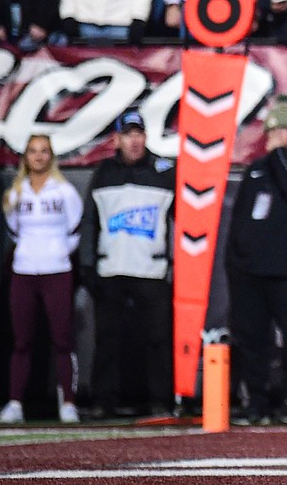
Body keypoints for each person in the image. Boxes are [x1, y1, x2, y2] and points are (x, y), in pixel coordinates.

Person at [226, 94, 287, 425]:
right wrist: (235, 263)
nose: (271, 138)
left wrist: (281, 153)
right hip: (251, 273)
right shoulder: (256, 169)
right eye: (270, 132)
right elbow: (240, 220)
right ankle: (256, 403)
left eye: (278, 130)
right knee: (253, 341)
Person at [78, 110, 176, 418]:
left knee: (158, 338)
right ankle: (102, 401)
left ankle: (161, 400)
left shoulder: (163, 171)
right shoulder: (104, 172)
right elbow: (90, 222)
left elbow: (182, 223)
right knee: (107, 340)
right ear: (117, 139)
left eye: (139, 134)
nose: (134, 141)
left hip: (152, 268)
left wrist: (175, 265)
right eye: (128, 135)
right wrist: (89, 266)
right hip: (112, 269)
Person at [0, 135, 83, 425]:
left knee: (62, 339)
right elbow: (13, 232)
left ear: (51, 156)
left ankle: (68, 403)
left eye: (44, 151)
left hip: (57, 270)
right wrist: (30, 253)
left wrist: (53, 253)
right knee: (21, 340)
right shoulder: (15, 193)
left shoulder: (65, 191)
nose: (38, 157)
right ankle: (15, 403)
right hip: (23, 271)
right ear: (25, 157)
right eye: (33, 151)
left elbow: (75, 231)